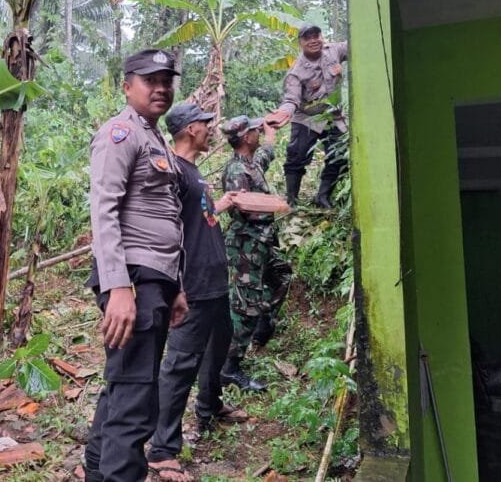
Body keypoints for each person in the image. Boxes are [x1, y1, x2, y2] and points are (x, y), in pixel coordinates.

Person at [84, 49, 189, 482]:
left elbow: (167, 215)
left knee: (126, 387)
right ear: (127, 86)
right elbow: (103, 210)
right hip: (134, 280)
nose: (160, 87)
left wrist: (176, 286)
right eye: (150, 80)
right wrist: (119, 287)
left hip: (154, 281)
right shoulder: (120, 134)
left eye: (167, 79)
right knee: (135, 401)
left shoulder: (154, 137)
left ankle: (97, 472)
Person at [146, 103, 248, 482]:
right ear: (190, 129)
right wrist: (176, 285)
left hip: (214, 280)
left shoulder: (192, 170)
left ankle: (209, 407)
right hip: (194, 283)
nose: (211, 129)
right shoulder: (172, 171)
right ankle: (162, 449)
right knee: (180, 364)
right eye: (206, 124)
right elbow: (165, 230)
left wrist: (221, 205)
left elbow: (199, 216)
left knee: (218, 346)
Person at [219, 116, 292, 392]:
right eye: (254, 131)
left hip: (262, 240)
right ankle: (230, 367)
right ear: (245, 137)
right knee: (245, 305)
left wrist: (270, 131)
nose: (257, 134)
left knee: (281, 274)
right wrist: (278, 204)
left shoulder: (252, 163)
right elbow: (246, 208)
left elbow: (267, 152)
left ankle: (265, 321)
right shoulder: (237, 170)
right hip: (246, 243)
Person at [266, 24, 349, 208]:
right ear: (300, 43)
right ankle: (292, 201)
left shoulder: (334, 50)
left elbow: (355, 45)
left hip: (332, 115)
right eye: (307, 38)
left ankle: (323, 197)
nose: (313, 41)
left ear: (322, 36)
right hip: (306, 118)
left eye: (316, 36)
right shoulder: (296, 72)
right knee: (296, 157)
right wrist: (284, 112)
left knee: (340, 155)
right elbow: (291, 100)